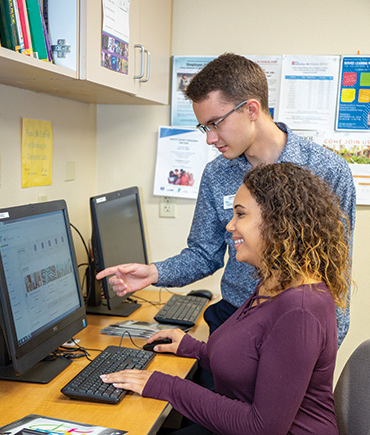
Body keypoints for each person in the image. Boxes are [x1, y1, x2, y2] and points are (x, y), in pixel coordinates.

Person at [101, 162, 351, 435]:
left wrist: (165, 386)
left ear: (279, 223)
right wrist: (193, 348)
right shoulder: (274, 281)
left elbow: (262, 430)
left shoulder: (300, 309)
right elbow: (256, 356)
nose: (230, 226)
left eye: (241, 215)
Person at [96, 53, 355, 347]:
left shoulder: (327, 170)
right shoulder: (217, 173)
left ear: (251, 109)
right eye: (205, 127)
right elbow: (204, 254)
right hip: (234, 318)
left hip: (297, 330)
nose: (210, 138)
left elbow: (336, 270)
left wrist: (327, 343)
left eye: (215, 123)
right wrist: (153, 273)